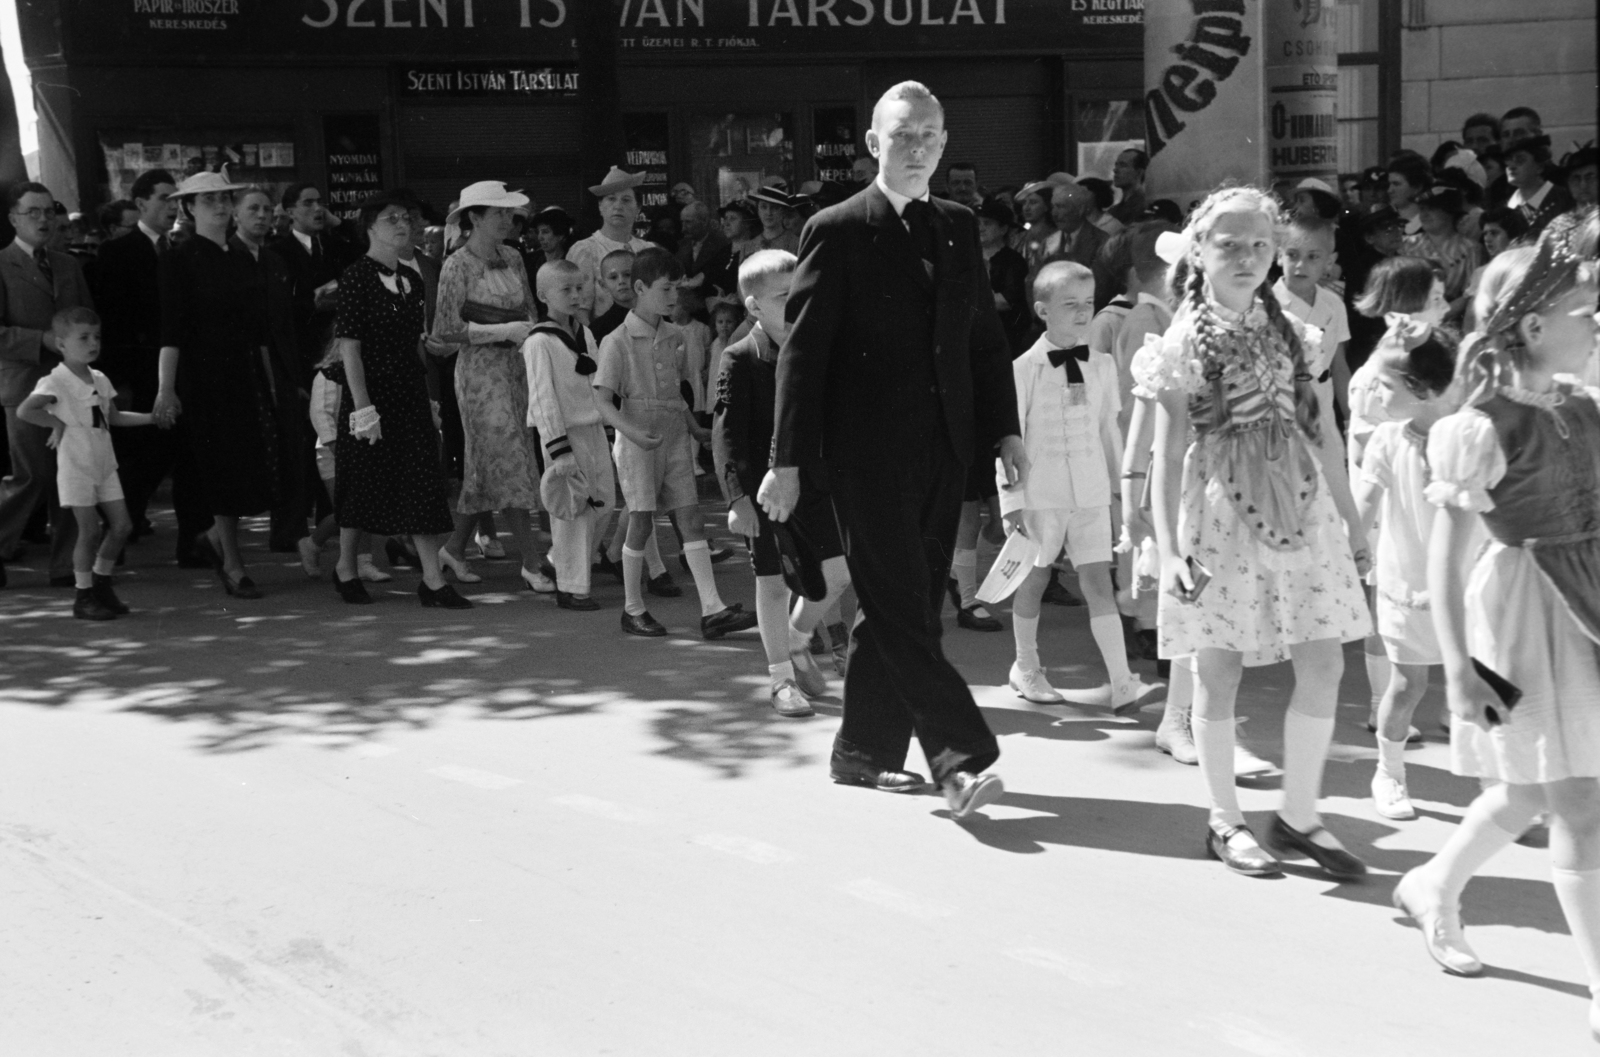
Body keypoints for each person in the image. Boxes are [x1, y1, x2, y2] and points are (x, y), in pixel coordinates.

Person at [760, 81, 1026, 819]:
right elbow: (803, 355)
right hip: (865, 456)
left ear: (944, 144)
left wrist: (1004, 428)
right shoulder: (837, 227)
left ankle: (864, 752)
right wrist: (787, 460)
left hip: (942, 451)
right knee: (908, 610)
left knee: (894, 605)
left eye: (931, 136)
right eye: (904, 136)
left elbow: (981, 337)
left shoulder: (958, 225)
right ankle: (961, 760)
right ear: (875, 144)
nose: (919, 149)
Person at [1391, 228, 1600, 1037]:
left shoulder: (1583, 405)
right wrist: (1457, 667)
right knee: (1578, 799)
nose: (1597, 322)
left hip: (1586, 601)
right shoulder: (1484, 425)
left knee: (1528, 790)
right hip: (1523, 615)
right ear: (1537, 327)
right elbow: (1449, 556)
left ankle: (1433, 883)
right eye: (1585, 310)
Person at [1139, 185, 1371, 879]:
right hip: (1219, 513)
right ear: (1200, 252)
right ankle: (1225, 818)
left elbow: (1323, 431)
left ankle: (1301, 815)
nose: (1245, 256)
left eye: (1258, 245)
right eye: (1229, 244)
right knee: (1219, 668)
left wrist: (1353, 521)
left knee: (1325, 660)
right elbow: (1165, 448)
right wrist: (1168, 544)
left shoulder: (1296, 332)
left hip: (1302, 509)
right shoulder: (1179, 341)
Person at [1001, 260, 1143, 711]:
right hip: (1040, 491)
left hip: (1091, 489)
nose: (1083, 314)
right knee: (1035, 577)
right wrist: (1010, 502)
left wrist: (1122, 488)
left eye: (1089, 304)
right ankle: (1026, 665)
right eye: (1070, 305)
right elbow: (1008, 441)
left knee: (1097, 580)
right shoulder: (1022, 369)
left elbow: (1109, 430)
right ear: (1043, 310)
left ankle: (1122, 679)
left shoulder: (1101, 365)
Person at [714, 249, 850, 716]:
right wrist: (737, 498)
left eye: (801, 293)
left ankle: (796, 638)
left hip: (815, 481)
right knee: (772, 583)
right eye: (782, 296)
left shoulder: (815, 346)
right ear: (754, 307)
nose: (796, 304)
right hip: (763, 491)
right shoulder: (740, 357)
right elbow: (726, 436)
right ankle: (780, 679)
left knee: (837, 572)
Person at [595, 246, 755, 641]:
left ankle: (713, 609)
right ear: (639, 287)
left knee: (690, 516)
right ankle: (632, 608)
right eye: (666, 289)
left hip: (673, 435)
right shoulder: (617, 340)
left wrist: (695, 428)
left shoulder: (675, 335)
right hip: (638, 439)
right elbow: (601, 400)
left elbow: (675, 393)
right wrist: (629, 433)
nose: (674, 298)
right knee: (641, 520)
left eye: (677, 290)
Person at [1352, 318, 1467, 820]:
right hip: (1406, 581)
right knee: (1407, 686)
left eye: (1384, 385)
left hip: (1468, 586)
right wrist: (1351, 553)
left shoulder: (1470, 436)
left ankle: (1506, 786)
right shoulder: (1386, 440)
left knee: (1488, 683)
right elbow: (1364, 505)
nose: (1373, 392)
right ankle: (1389, 772)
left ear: (1419, 389)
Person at [332, 192, 468, 610]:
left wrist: (426, 398)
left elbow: (414, 344)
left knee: (422, 484)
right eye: (391, 219)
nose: (402, 224)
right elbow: (349, 347)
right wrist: (362, 407)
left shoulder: (410, 280)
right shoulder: (356, 277)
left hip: (408, 394)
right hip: (370, 396)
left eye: (405, 217)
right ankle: (345, 567)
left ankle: (431, 580)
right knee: (362, 485)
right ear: (370, 228)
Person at [153, 170, 279, 599]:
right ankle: (232, 561)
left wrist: (270, 381)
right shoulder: (178, 258)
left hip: (243, 375)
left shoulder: (243, 256)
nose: (220, 207)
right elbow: (170, 331)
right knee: (221, 470)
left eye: (224, 199)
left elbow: (258, 328)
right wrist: (165, 390)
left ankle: (217, 542)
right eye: (208, 200)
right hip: (202, 378)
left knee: (244, 469)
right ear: (188, 208)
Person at [430, 180, 552, 592]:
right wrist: (498, 328)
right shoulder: (456, 264)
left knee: (486, 466)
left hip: (516, 368)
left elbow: (531, 313)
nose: (507, 218)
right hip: (480, 372)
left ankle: (454, 547)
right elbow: (445, 330)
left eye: (509, 212)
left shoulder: (515, 257)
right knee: (511, 458)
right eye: (498, 212)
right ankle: (532, 563)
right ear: (475, 218)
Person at [16, 307, 153, 618]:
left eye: (97, 337)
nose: (93, 343)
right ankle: (83, 594)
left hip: (104, 461)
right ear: (62, 343)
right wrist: (56, 423)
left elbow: (114, 417)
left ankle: (101, 583)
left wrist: (151, 418)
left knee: (122, 526)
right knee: (88, 531)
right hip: (76, 464)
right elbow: (25, 410)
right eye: (83, 337)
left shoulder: (99, 378)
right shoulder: (56, 381)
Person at [92, 168, 196, 559]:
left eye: (176, 200)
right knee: (141, 460)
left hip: (180, 370)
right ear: (140, 204)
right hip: (138, 371)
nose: (172, 207)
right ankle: (118, 534)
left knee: (184, 455)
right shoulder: (117, 252)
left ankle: (191, 543)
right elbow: (112, 318)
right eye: (164, 199)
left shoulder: (180, 249)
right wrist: (118, 380)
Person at [524, 259, 636, 611]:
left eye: (579, 287)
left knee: (603, 502)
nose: (576, 296)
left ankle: (563, 563)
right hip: (565, 435)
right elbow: (542, 398)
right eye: (565, 290)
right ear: (544, 295)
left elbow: (594, 383)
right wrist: (559, 450)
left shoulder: (583, 332)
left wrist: (606, 426)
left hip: (591, 429)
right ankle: (573, 588)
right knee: (574, 510)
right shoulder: (539, 341)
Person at [0, 181, 96, 589]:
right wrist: (37, 339)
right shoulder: (2, 264)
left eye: (48, 211)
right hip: (24, 385)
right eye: (32, 212)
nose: (43, 219)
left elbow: (87, 318)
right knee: (32, 475)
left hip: (70, 385)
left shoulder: (67, 265)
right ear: (13, 218)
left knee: (70, 476)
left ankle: (68, 566)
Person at [232, 186, 310, 554]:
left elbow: (285, 325)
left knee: (293, 450)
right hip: (242, 367)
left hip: (282, 368)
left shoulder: (276, 261)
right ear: (236, 214)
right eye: (253, 209)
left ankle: (289, 531)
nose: (261, 216)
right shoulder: (226, 258)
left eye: (266, 209)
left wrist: (295, 378)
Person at [270, 183, 356, 379]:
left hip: (341, 345)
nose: (318, 209)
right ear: (291, 212)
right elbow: (280, 306)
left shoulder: (334, 245)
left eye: (320, 202)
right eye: (308, 203)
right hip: (305, 348)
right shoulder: (278, 253)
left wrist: (339, 224)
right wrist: (312, 304)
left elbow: (362, 256)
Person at [1275, 216, 1353, 426]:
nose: (1301, 265)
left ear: (1329, 261)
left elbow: (1339, 367)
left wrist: (1349, 422)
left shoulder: (1334, 304)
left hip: (1323, 410)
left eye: (1313, 257)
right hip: (1281, 414)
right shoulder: (1265, 305)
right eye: (1292, 255)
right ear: (1279, 256)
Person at [567, 167, 655, 324]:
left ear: (638, 208)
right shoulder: (586, 250)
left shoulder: (648, 250)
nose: (618, 206)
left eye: (626, 200)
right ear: (600, 206)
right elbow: (580, 311)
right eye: (611, 199)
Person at [1404, 185, 1482, 309]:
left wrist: (1442, 316)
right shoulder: (1407, 244)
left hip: (1449, 321)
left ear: (1449, 211)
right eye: (1422, 209)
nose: (1424, 214)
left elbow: (1470, 295)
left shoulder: (1471, 249)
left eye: (1431, 209)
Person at [1505, 135, 1575, 238]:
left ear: (1540, 167)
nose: (1511, 166)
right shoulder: (1505, 206)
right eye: (1508, 161)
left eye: (1520, 160)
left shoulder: (1564, 199)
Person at [676, 200, 736, 301]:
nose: (683, 229)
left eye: (688, 222)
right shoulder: (681, 245)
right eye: (682, 222)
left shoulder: (722, 244)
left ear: (704, 221)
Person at [742, 186, 800, 259]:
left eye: (774, 207)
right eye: (763, 207)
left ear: (783, 211)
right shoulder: (747, 247)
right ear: (758, 210)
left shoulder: (796, 244)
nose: (768, 212)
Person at [589, 249, 635, 340]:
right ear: (603, 285)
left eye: (627, 274)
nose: (621, 281)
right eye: (613, 277)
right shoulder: (598, 329)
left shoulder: (659, 316)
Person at [1108, 148, 1148, 226]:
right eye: (1116, 165)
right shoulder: (1114, 210)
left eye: (1123, 165)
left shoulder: (1144, 207)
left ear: (1139, 172)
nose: (1115, 170)